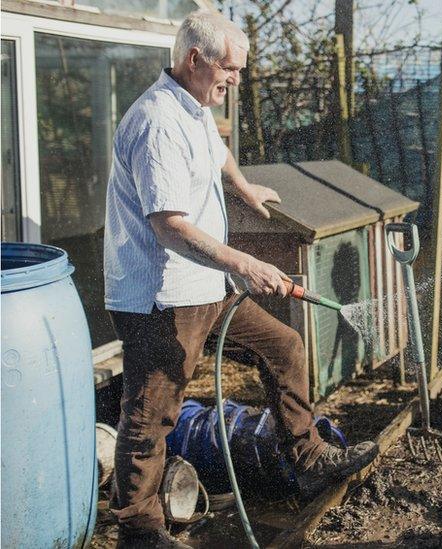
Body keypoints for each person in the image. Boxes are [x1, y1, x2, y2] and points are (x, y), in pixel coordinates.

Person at [103, 10, 377, 548]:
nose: (236, 80)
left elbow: (217, 150)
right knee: (152, 413)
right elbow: (168, 225)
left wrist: (244, 186)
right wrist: (245, 263)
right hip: (162, 295)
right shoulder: (157, 121)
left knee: (285, 347)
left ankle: (310, 457)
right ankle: (139, 528)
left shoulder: (195, 108)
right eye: (231, 69)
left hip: (204, 286)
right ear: (194, 59)